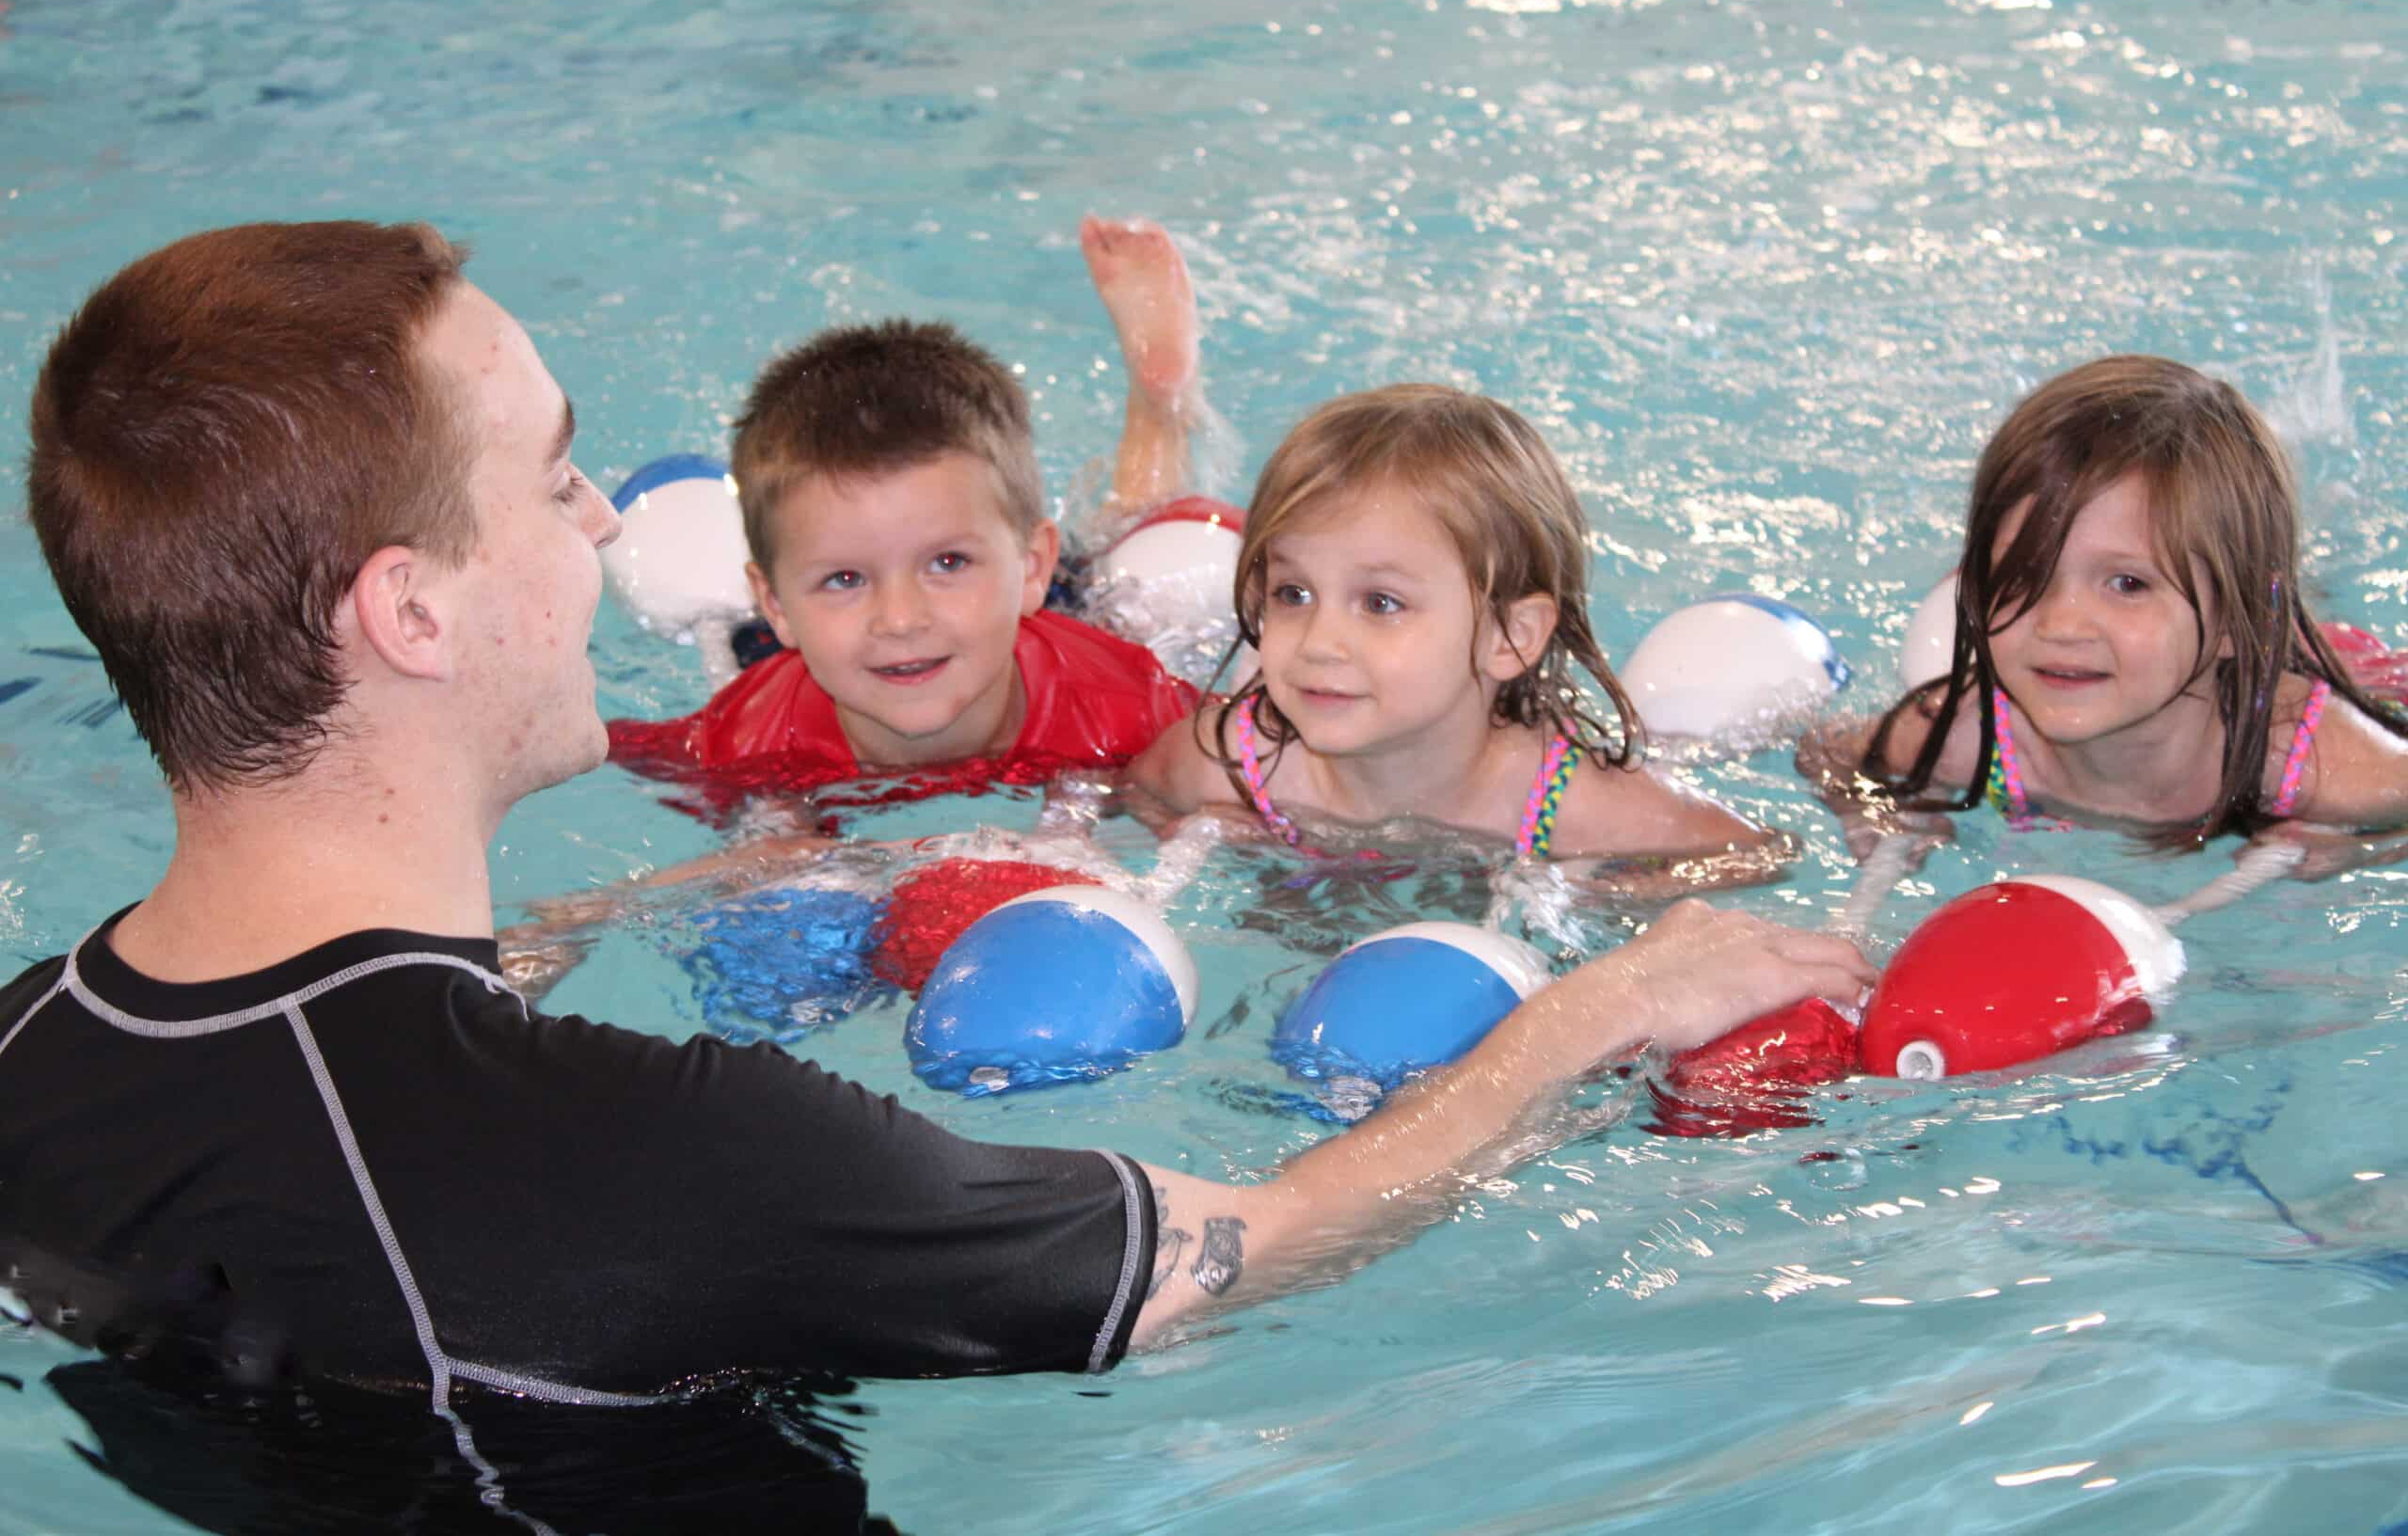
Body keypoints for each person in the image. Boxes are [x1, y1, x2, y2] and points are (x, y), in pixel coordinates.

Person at [0, 221, 1870, 1525]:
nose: (600, 527)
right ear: (407, 607)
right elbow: (1259, 1248)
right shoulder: (654, 1146)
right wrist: (1599, 1009)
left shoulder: (30, 1053)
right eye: (559, 476)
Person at [607, 216, 1212, 804]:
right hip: (815, 663)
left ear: (1033, 568)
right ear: (776, 607)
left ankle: (1160, 407)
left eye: (947, 562)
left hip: (1049, 636)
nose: (899, 619)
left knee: (1136, 562)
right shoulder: (752, 737)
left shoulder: (1126, 704)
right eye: (844, 579)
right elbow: (616, 753)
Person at [1129, 384, 1794, 889]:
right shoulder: (1232, 766)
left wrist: (1602, 894)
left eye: (1380, 602)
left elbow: (1759, 854)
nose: (1319, 641)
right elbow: (1132, 789)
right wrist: (1192, 829)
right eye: (1293, 594)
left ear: (1508, 635)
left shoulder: (1567, 801)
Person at [1798, 354, 2408, 878]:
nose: (2060, 623)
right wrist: (1875, 811)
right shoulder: (1964, 735)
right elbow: (1828, 752)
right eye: (2026, 572)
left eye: (2127, 583)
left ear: (2233, 621)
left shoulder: (2307, 761)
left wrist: (2366, 848)